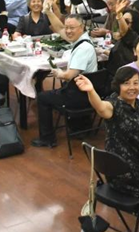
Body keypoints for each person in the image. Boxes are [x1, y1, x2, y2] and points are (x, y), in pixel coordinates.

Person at [74, 67, 139, 195]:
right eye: (126, 83)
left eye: (135, 83)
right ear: (118, 85)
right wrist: (91, 90)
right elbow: (101, 107)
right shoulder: (114, 105)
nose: (132, 87)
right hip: (122, 169)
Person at [31, 13, 98, 148]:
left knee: (42, 97)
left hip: (79, 95)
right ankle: (80, 126)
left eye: (72, 28)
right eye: (66, 27)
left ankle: (47, 139)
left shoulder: (83, 48)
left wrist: (58, 73)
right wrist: (49, 11)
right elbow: (60, 29)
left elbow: (69, 76)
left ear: (82, 27)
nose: (68, 31)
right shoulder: (84, 40)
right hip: (86, 92)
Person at [106, 6, 139, 75]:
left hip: (125, 76)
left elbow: (125, 31)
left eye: (126, 22)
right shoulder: (122, 38)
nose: (122, 23)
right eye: (122, 21)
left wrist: (119, 15)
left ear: (135, 24)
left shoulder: (135, 37)